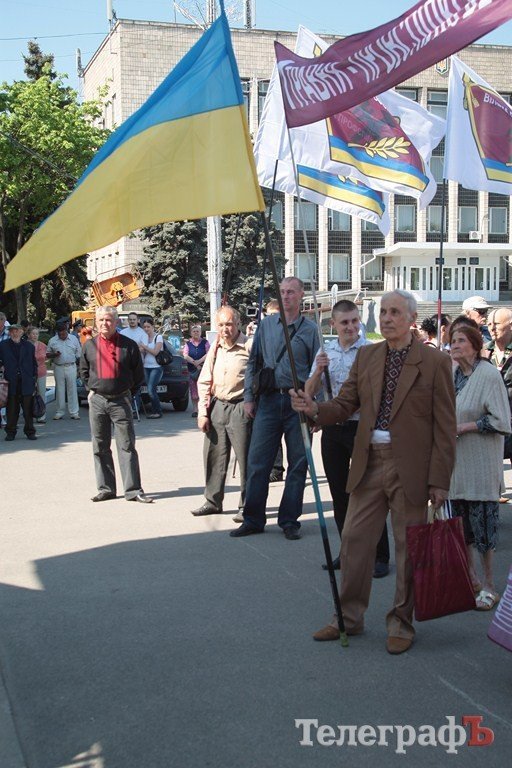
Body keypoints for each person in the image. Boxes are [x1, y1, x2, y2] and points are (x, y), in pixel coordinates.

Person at [290, 290, 456, 654]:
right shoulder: (367, 356)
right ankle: (349, 617)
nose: (386, 318)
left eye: (395, 312)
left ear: (412, 319)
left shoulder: (434, 362)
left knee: (407, 548)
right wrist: (314, 408)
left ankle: (401, 621)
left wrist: (440, 480)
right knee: (353, 540)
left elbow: (445, 427)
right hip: (369, 462)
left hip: (411, 466)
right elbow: (345, 403)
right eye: (383, 311)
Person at [230, 276, 320, 541]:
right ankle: (253, 518)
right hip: (268, 401)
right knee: (258, 462)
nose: (286, 296)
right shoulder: (266, 326)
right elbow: (253, 363)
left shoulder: (310, 330)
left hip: (299, 403)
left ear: (301, 295)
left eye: (291, 292)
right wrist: (248, 398)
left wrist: (318, 409)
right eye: (282, 291)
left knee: (298, 464)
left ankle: (289, 520)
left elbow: (318, 370)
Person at [305, 299, 390, 576]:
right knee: (340, 494)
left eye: (355, 321)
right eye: (345, 322)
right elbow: (308, 393)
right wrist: (318, 370)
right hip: (333, 429)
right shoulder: (325, 352)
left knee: (369, 494)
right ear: (334, 325)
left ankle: (379, 556)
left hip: (362, 429)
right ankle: (348, 552)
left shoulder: (371, 351)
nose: (351, 327)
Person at [448, 323, 510, 611]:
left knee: (484, 528)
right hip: (457, 467)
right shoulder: (453, 374)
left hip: (481, 466)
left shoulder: (488, 375)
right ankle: (470, 579)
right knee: (463, 528)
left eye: (460, 340)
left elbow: (501, 422)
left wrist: (465, 427)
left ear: (474, 345)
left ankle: (489, 585)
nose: (454, 344)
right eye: (452, 340)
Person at [79, 306, 153, 503]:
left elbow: (138, 375)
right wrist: (92, 390)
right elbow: (83, 371)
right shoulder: (89, 346)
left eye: (109, 320)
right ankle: (106, 489)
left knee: (127, 446)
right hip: (98, 401)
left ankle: (133, 490)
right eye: (101, 320)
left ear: (116, 322)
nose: (105, 323)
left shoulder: (128, 346)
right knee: (100, 445)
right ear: (96, 322)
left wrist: (129, 394)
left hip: (121, 400)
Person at [191, 306, 252, 519]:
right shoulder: (215, 348)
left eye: (229, 324)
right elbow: (204, 380)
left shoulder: (249, 346)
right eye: (221, 325)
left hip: (241, 407)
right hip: (217, 406)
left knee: (246, 460)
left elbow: (260, 378)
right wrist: (202, 412)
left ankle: (247, 506)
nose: (225, 329)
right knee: (214, 456)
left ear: (238, 324)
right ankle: (212, 501)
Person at [484, 307, 512, 502]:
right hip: (493, 419)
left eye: (497, 324)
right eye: (489, 324)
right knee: (490, 468)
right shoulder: (485, 351)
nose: (492, 328)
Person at [0, 323, 38, 441]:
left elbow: (33, 364)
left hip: (26, 381)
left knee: (28, 409)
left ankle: (30, 431)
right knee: (12, 409)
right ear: (10, 332)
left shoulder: (29, 346)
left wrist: (33, 379)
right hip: (10, 381)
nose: (15, 333)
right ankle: (11, 432)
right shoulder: (3, 345)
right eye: (12, 331)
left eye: (17, 331)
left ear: (22, 332)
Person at [46, 321, 81, 420]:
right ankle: (60, 411)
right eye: (60, 334)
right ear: (57, 333)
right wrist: (54, 355)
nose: (63, 336)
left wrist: (79, 368)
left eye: (64, 333)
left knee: (72, 389)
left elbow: (79, 353)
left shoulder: (74, 339)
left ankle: (74, 412)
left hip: (71, 366)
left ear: (67, 330)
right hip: (58, 366)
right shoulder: (53, 340)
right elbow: (47, 354)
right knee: (60, 390)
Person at [120, 313, 148, 414]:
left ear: (138, 320)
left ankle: (135, 409)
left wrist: (132, 351)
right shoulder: (123, 332)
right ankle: (125, 408)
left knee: (136, 386)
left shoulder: (142, 333)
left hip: (137, 364)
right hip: (125, 364)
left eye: (134, 319)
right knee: (125, 386)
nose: (132, 321)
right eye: (130, 319)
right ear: (128, 320)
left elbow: (143, 349)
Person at [139, 318, 164, 419]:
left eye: (148, 327)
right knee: (151, 390)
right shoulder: (144, 338)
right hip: (146, 367)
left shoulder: (158, 337)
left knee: (150, 389)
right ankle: (155, 411)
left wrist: (144, 347)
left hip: (156, 367)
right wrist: (141, 349)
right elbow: (143, 351)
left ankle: (158, 411)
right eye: (144, 327)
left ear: (153, 327)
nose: (146, 329)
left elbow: (155, 352)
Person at [183, 325, 209, 417]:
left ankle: (204, 409)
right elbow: (185, 355)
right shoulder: (188, 344)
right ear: (191, 333)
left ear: (200, 332)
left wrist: (199, 362)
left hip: (204, 369)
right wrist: (195, 363)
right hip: (192, 370)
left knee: (204, 389)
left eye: (197, 331)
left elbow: (208, 354)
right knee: (193, 391)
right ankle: (195, 409)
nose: (196, 333)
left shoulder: (205, 342)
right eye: (194, 331)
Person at [27, 326, 48, 424]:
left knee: (41, 394)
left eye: (37, 334)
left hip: (41, 372)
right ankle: (29, 415)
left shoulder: (43, 345)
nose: (35, 336)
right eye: (33, 333)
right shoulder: (25, 345)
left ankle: (41, 415)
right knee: (28, 395)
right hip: (28, 373)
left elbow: (46, 357)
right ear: (28, 335)